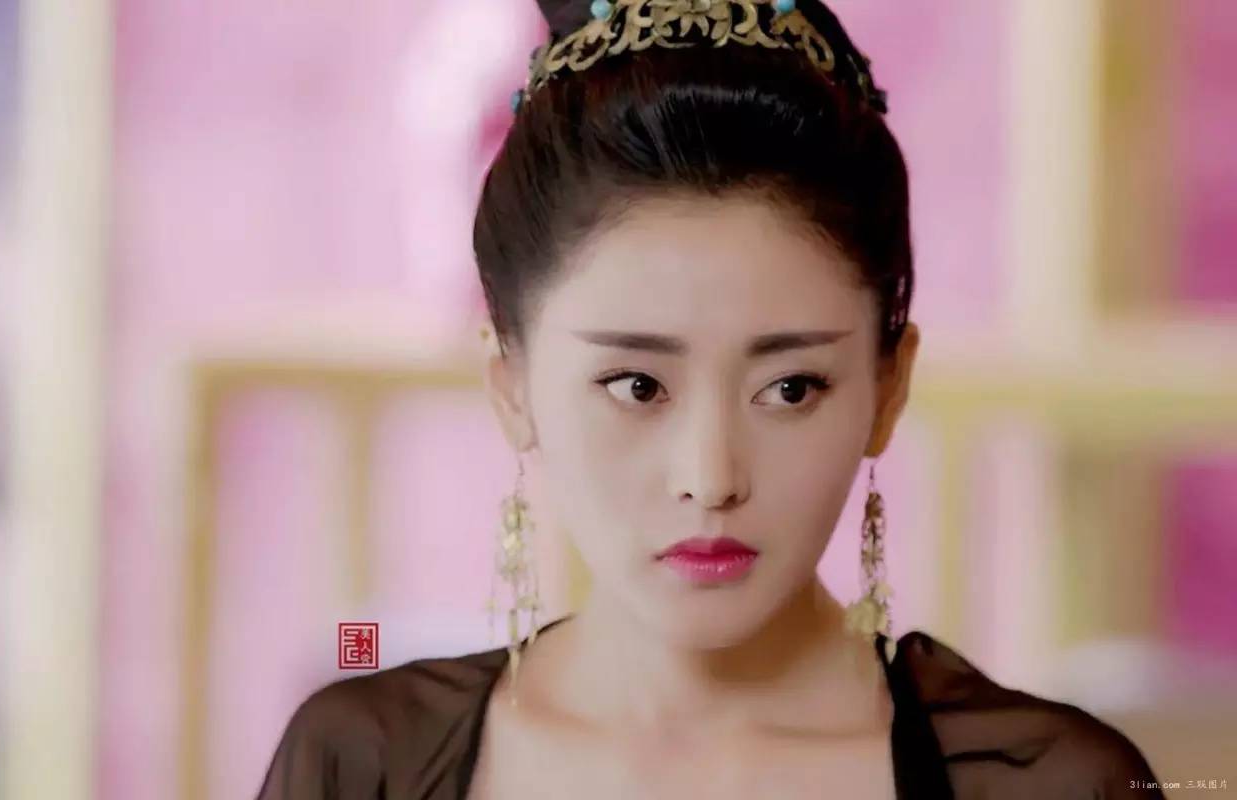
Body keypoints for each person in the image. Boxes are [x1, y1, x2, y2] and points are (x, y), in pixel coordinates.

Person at [257, 1, 1166, 797]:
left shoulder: (1049, 783)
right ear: (512, 387)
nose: (712, 476)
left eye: (790, 388)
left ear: (888, 387)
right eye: (638, 386)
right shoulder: (365, 761)